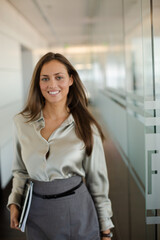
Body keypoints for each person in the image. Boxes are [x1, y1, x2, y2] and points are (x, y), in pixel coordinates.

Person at [7, 52, 114, 240]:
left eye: (59, 77)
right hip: (36, 212)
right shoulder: (22, 123)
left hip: (77, 210)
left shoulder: (87, 127)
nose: (52, 85)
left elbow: (97, 183)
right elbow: (20, 171)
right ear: (38, 83)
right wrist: (15, 202)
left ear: (71, 80)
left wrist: (105, 231)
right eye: (45, 79)